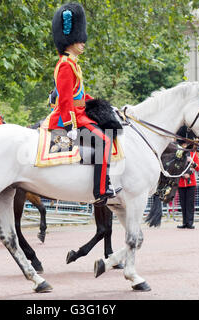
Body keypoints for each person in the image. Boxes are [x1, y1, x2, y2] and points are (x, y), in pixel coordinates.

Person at [47, 2, 121, 205]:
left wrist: (102, 106)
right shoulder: (65, 65)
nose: (83, 43)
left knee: (109, 133)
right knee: (103, 140)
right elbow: (65, 99)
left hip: (79, 113)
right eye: (79, 39)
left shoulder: (72, 64)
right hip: (69, 118)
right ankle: (100, 189)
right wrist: (69, 125)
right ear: (69, 40)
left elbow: (79, 94)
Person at [176, 143, 199, 229]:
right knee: (183, 204)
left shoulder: (193, 155)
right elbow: (176, 167)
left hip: (191, 183)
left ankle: (190, 222)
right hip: (181, 183)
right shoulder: (178, 155)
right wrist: (183, 175)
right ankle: (184, 222)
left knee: (190, 204)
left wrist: (192, 162)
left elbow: (198, 168)